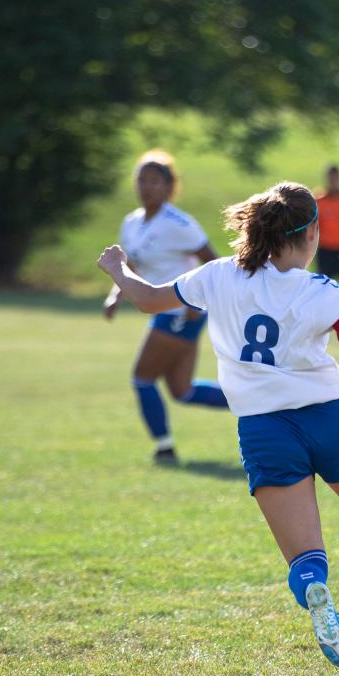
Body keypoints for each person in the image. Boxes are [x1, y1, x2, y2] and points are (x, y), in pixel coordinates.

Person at [97, 181, 339, 667]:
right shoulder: (321, 291)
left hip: (264, 431)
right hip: (331, 421)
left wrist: (117, 267)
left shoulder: (217, 277)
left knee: (306, 560)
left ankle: (317, 592)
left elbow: (148, 299)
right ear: (313, 233)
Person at [103, 151, 229, 463]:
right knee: (182, 390)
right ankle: (257, 397)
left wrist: (197, 301)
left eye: (154, 181)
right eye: (141, 180)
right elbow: (128, 264)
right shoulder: (132, 222)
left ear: (168, 186)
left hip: (180, 311)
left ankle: (164, 447)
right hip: (161, 309)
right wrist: (116, 294)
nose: (146, 186)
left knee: (142, 377)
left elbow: (212, 262)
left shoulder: (179, 223)